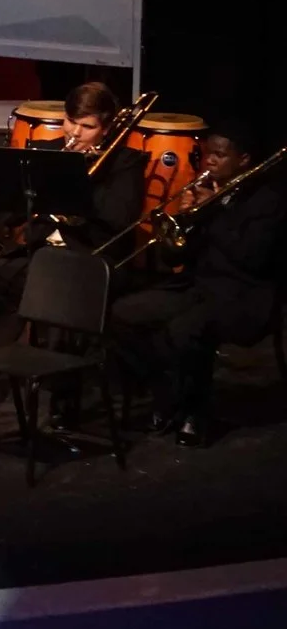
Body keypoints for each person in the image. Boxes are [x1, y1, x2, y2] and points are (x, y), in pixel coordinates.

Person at [108, 124, 283, 447]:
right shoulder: (204, 191)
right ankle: (167, 394)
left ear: (243, 159)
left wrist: (214, 210)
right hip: (197, 285)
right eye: (207, 154)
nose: (209, 161)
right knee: (123, 314)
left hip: (243, 294)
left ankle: (194, 412)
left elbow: (250, 257)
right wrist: (185, 221)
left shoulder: (268, 200)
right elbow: (175, 254)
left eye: (220, 155)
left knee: (184, 330)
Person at [0, 81, 148, 338]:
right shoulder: (46, 151)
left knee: (48, 283)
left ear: (106, 129)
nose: (75, 133)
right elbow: (10, 212)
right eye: (70, 121)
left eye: (87, 126)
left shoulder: (125, 163)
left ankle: (43, 358)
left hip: (92, 254)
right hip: (40, 249)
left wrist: (77, 189)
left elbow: (119, 219)